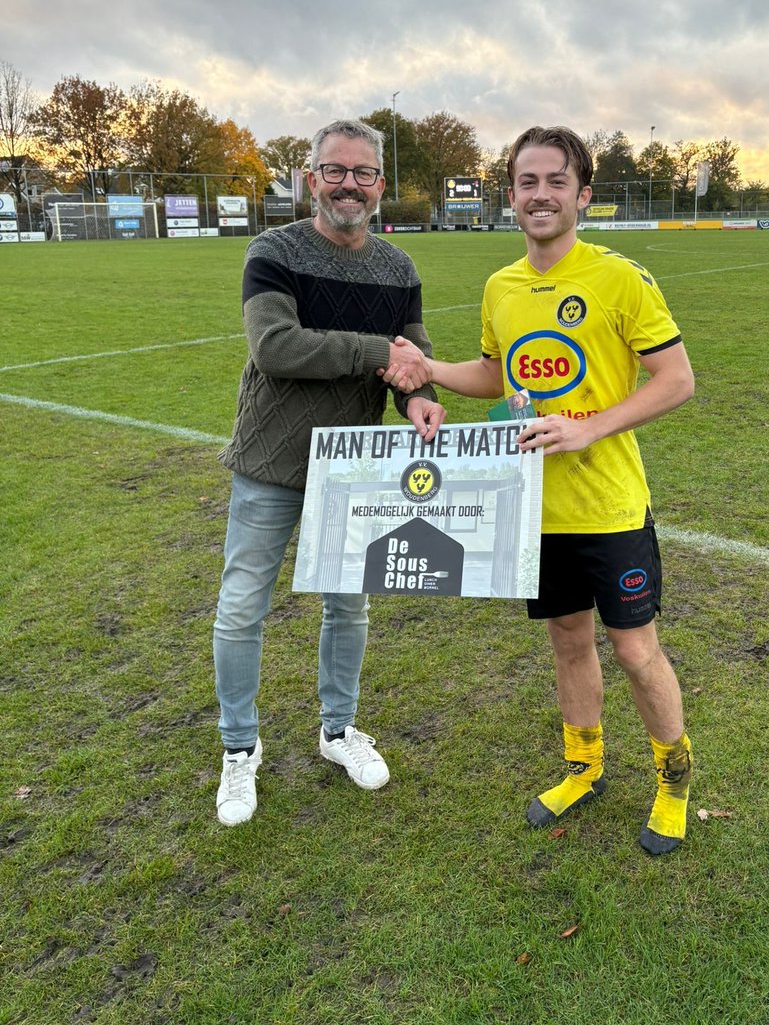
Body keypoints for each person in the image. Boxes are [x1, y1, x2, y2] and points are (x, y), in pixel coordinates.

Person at [385, 125, 695, 854]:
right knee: (567, 641)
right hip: (536, 508)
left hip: (610, 508)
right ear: (512, 196)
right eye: (527, 182)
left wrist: (590, 429)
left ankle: (674, 779)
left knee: (635, 651)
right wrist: (427, 369)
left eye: (556, 181)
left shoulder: (620, 278)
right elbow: (499, 376)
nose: (541, 194)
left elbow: (677, 380)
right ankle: (584, 769)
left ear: (583, 195)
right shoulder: (501, 286)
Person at [213, 118, 445, 827]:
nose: (349, 184)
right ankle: (239, 750)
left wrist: (420, 396)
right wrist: (380, 351)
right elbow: (278, 347)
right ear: (311, 177)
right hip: (270, 463)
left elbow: (416, 350)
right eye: (334, 170)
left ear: (380, 184)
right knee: (241, 608)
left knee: (349, 604)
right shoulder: (273, 250)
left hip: (352, 468)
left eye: (363, 172)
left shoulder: (398, 268)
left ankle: (338, 730)